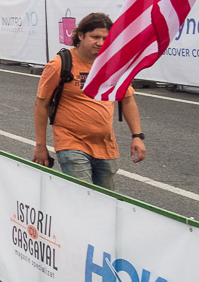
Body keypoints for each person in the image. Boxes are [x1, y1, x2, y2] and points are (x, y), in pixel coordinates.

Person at [33, 12, 145, 190]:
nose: (100, 42)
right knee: (82, 197)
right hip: (71, 143)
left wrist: (137, 136)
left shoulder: (113, 65)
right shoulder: (60, 64)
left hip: (106, 146)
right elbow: (41, 104)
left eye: (105, 38)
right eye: (95, 37)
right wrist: (40, 145)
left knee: (104, 201)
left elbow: (128, 100)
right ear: (80, 35)